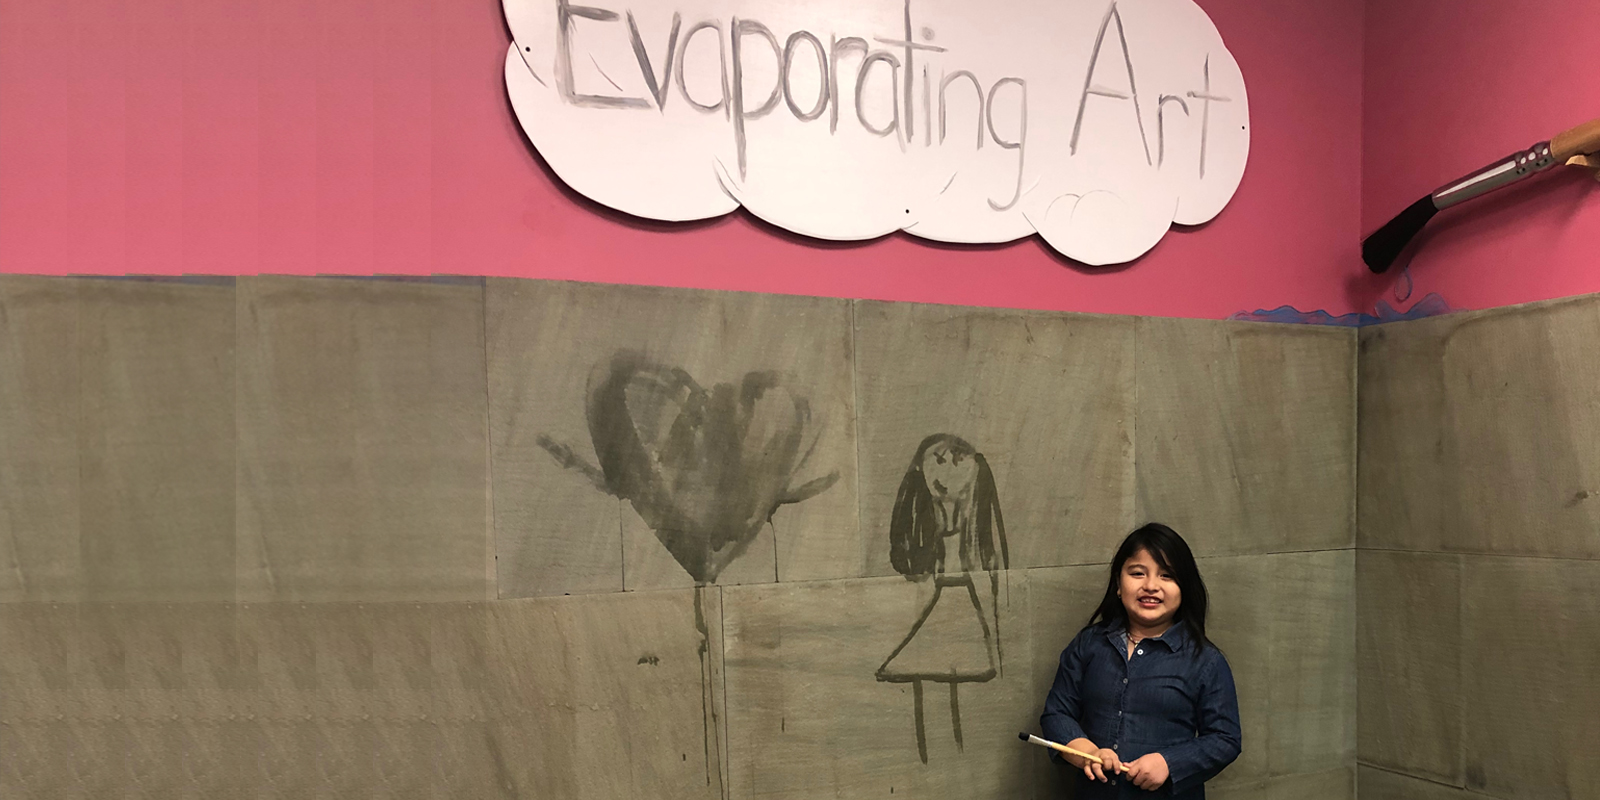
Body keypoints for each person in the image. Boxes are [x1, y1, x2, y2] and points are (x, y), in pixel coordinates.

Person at [1039, 523, 1241, 797]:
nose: (1151, 586)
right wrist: (1086, 752)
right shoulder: (1090, 643)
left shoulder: (1205, 660)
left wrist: (1168, 763)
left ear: (1184, 589)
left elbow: (1225, 739)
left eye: (1167, 576)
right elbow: (1057, 713)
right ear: (1119, 585)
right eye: (1137, 573)